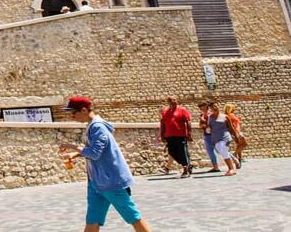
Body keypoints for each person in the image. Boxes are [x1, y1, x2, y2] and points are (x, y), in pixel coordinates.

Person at [58, 96, 152, 232]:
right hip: (97, 182)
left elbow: (94, 153)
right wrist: (76, 154)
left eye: (73, 112)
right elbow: (96, 151)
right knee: (92, 219)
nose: (72, 116)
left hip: (111, 182)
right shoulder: (91, 126)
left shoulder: (97, 127)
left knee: (133, 217)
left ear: (84, 110)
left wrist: (72, 147)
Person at [159, 96, 193, 178]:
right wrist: (162, 135)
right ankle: (187, 165)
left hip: (180, 135)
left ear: (177, 101)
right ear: (168, 102)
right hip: (169, 136)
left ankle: (185, 169)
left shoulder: (182, 110)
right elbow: (163, 124)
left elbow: (188, 122)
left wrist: (189, 133)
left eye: (174, 100)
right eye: (170, 100)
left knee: (182, 152)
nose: (173, 101)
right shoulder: (165, 111)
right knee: (172, 152)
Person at [209, 102, 239, 176]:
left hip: (225, 136)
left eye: (215, 106)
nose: (214, 108)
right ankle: (233, 163)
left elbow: (231, 128)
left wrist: (236, 137)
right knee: (222, 151)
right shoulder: (210, 117)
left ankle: (231, 168)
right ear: (211, 109)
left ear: (219, 106)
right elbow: (210, 127)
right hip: (216, 138)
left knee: (222, 148)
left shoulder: (225, 117)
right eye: (212, 107)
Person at [197, 102, 220, 172]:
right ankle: (215, 167)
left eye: (202, 106)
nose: (201, 108)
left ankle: (235, 160)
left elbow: (213, 123)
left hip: (214, 134)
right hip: (206, 135)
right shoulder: (202, 115)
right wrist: (202, 124)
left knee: (220, 149)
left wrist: (205, 122)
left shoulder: (211, 114)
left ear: (206, 106)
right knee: (210, 151)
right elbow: (200, 124)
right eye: (200, 107)